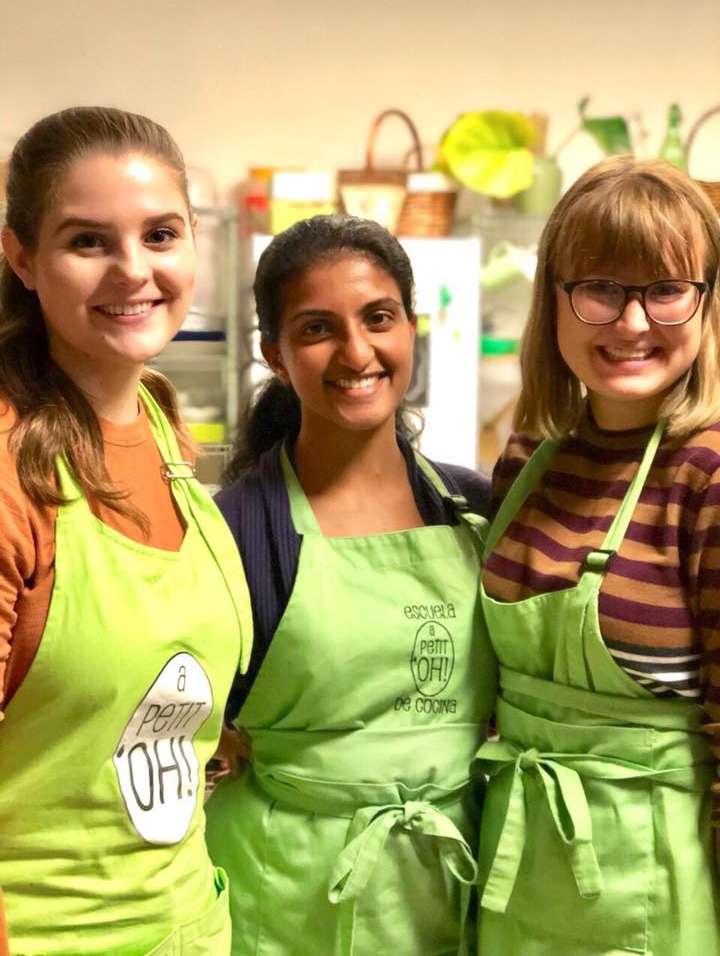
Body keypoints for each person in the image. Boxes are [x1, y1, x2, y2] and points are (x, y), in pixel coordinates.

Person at [204, 214, 496, 955]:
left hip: (450, 875)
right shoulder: (235, 529)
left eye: (378, 318)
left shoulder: (475, 507)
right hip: (288, 894)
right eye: (316, 329)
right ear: (274, 354)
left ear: (411, 326)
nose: (357, 351)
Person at [0, 106, 252, 956]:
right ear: (21, 258)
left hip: (184, 922)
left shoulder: (162, 424)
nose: (133, 270)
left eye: (160, 233)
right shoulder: (8, 468)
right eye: (87, 242)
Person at [475, 155, 720, 955]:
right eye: (601, 289)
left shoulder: (708, 475)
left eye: (666, 289)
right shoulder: (531, 458)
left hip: (653, 889)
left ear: (707, 304)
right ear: (554, 301)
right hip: (513, 865)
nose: (633, 322)